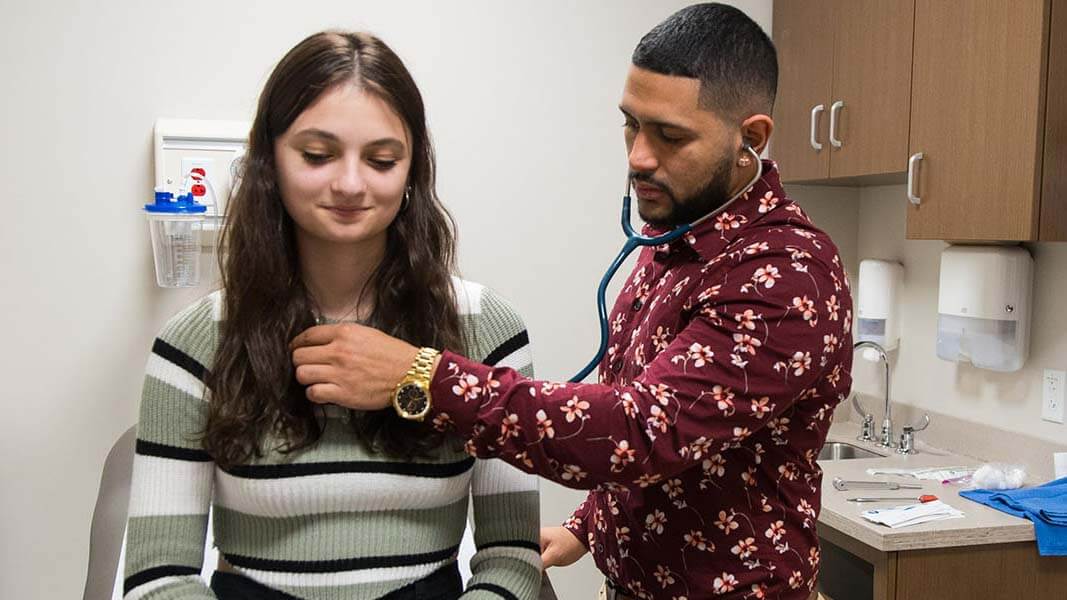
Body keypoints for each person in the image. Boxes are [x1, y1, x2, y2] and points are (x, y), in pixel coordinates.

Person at [291, 5, 854, 599]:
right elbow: (676, 426)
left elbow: (641, 431)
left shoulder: (787, 276)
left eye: (670, 136)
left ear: (752, 139)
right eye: (631, 125)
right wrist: (590, 526)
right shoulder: (680, 238)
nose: (638, 156)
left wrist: (420, 377)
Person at [123, 31, 542, 600]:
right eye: (317, 156)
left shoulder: (485, 329)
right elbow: (158, 578)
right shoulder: (196, 344)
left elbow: (511, 558)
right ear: (269, 159)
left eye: (382, 159)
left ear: (414, 169)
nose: (350, 184)